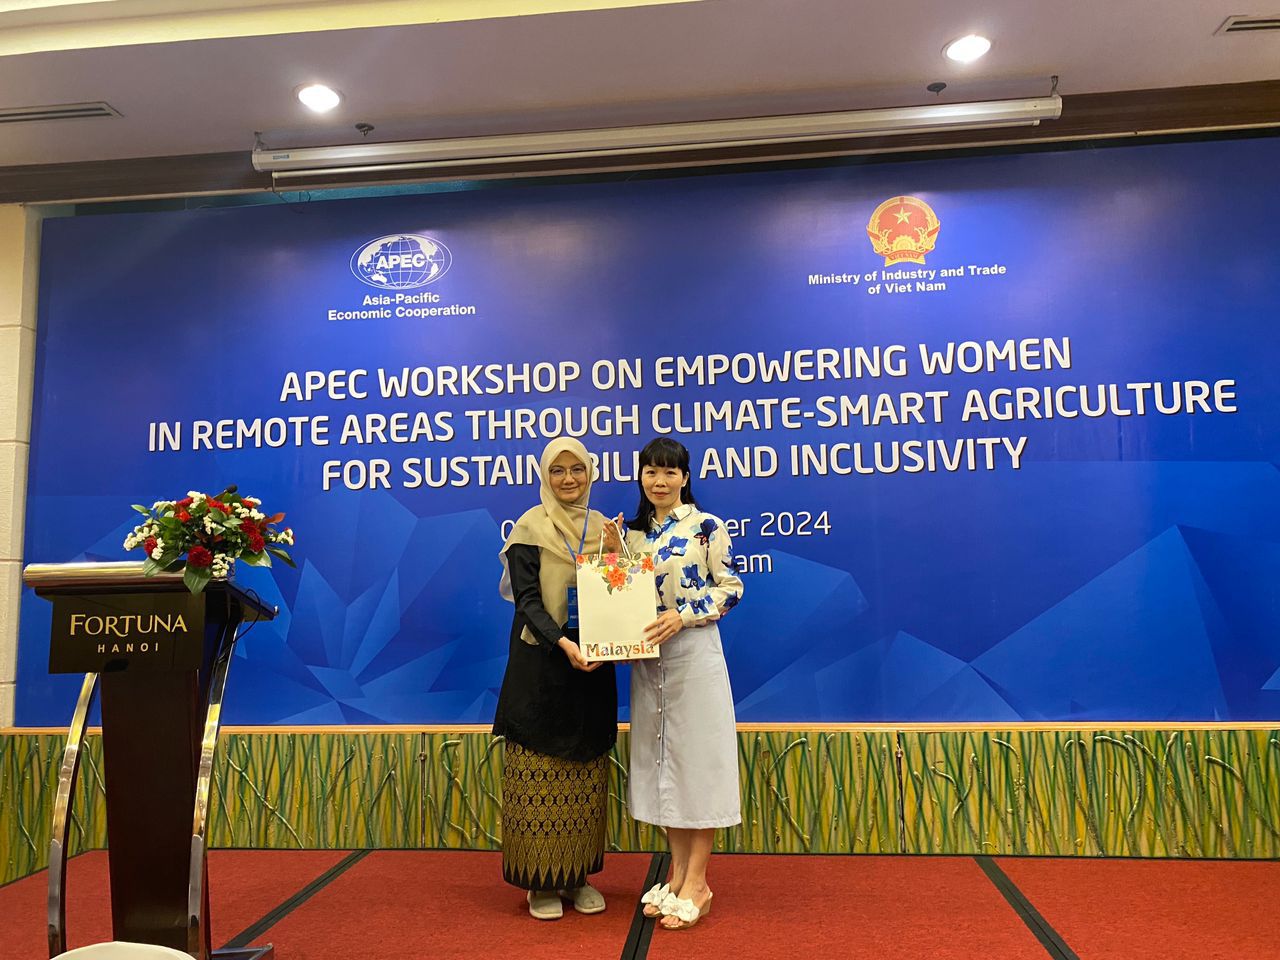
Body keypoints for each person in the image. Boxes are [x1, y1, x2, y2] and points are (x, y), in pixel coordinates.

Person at [494, 436, 621, 920]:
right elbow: (527, 602)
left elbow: (618, 593)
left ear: (590, 472)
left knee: (586, 773)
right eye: (558, 471)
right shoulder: (529, 527)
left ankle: (576, 876)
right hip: (542, 663)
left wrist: (616, 555)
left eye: (577, 469)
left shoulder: (605, 527)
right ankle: (539, 883)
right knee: (538, 774)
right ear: (545, 476)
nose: (569, 479)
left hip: (593, 664)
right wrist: (563, 644)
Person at [626, 438, 744, 931]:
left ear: (685, 477)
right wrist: (610, 556)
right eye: (651, 472)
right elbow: (616, 593)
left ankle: (699, 882)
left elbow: (731, 588)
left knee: (698, 763)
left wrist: (684, 615)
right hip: (649, 662)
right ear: (641, 478)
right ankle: (676, 876)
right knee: (664, 764)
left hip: (694, 653)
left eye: (669, 472)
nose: (660, 481)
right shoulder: (631, 535)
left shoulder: (706, 527)